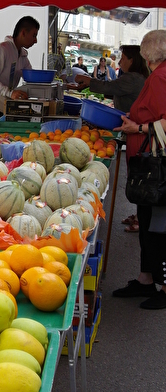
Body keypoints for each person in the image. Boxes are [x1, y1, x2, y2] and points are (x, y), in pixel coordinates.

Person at [112, 30, 166, 310]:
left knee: (159, 227)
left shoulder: (160, 77)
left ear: (147, 54)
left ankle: (164, 287)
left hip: (157, 166)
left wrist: (139, 128)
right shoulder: (159, 75)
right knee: (148, 224)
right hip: (148, 163)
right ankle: (146, 278)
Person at [75, 45, 150, 233]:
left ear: (132, 60)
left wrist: (88, 80)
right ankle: (140, 215)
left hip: (138, 131)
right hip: (134, 129)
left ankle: (143, 218)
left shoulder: (132, 78)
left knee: (138, 174)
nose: (120, 61)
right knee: (137, 173)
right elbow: (113, 91)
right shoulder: (134, 78)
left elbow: (110, 86)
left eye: (124, 58)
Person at [0, 16, 40, 124]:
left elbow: (32, 77)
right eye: (34, 35)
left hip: (6, 108)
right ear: (23, 33)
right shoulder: (2, 49)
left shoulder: (22, 55)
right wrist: (10, 92)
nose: (35, 41)